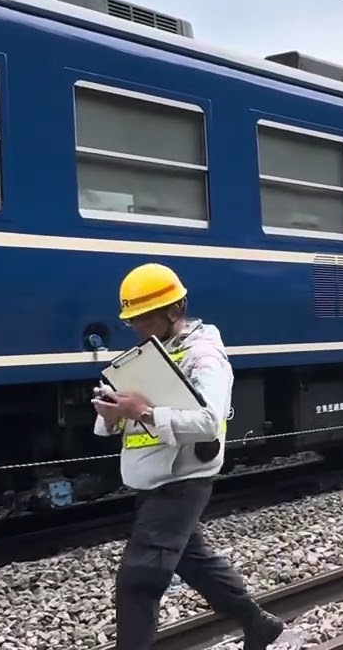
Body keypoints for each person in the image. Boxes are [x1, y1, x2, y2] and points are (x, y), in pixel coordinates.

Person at [92, 263, 285, 650]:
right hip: (155, 476)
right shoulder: (154, 354)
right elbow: (139, 417)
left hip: (183, 478)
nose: (134, 327)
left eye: (142, 318)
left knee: (139, 579)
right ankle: (257, 623)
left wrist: (141, 412)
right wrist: (113, 416)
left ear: (173, 311)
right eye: (131, 319)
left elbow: (209, 421)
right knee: (195, 561)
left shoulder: (204, 357)